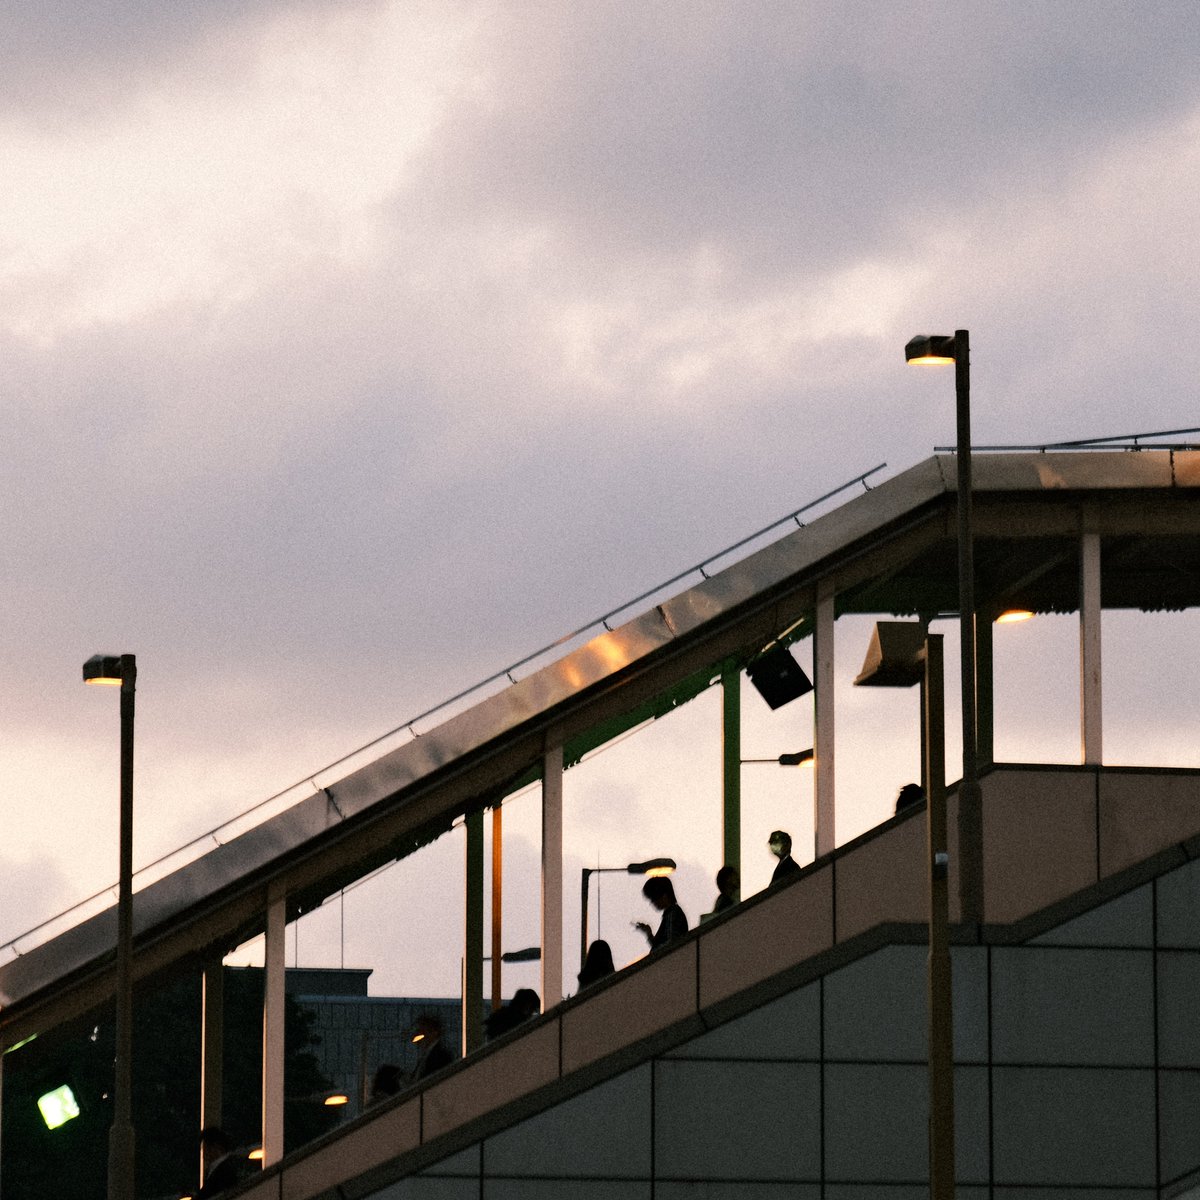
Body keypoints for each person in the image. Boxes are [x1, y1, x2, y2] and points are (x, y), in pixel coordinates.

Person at [634, 876, 688, 950]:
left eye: (653, 899)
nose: (652, 903)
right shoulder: (670, 914)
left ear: (664, 896)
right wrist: (649, 934)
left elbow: (671, 944)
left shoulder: (672, 914)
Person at [197, 1126, 240, 1198]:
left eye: (205, 1147)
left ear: (216, 1147)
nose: (203, 1152)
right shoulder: (225, 1168)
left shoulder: (224, 1172)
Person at [412, 1013, 453, 1080]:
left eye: (422, 1031)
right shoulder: (426, 1055)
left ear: (434, 1032)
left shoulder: (441, 1056)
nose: (418, 1035)